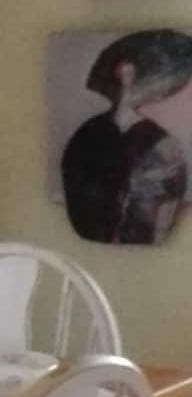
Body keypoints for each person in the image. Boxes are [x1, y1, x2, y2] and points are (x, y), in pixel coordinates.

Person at [61, 29, 192, 244]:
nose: (165, 93)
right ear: (126, 72)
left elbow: (160, 217)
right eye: (166, 83)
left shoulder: (160, 143)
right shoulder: (90, 135)